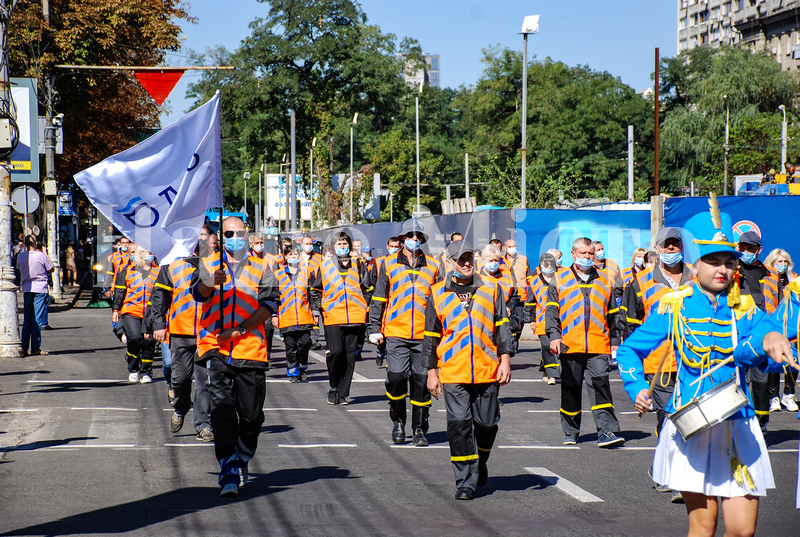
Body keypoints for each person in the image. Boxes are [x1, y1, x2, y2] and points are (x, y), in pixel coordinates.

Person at [616, 202, 798, 537]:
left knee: (743, 530)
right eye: (713, 261)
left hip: (738, 424)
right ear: (694, 265)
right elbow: (629, 351)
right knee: (704, 526)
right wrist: (638, 388)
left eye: (728, 261)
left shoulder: (743, 308)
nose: (722, 269)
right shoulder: (674, 306)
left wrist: (773, 342)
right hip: (692, 425)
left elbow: (765, 336)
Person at [191, 216, 279, 498]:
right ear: (221, 234)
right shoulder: (208, 263)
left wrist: (239, 330)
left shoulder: (264, 267)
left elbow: (269, 305)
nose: (234, 237)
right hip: (215, 348)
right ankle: (228, 469)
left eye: (239, 233)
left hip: (250, 349)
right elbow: (197, 295)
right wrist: (209, 283)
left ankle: (243, 454)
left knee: (252, 417)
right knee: (223, 412)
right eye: (228, 233)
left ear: (247, 234)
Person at [424, 240, 513, 500]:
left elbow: (502, 328)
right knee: (459, 425)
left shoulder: (492, 289)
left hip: (487, 370)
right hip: (453, 372)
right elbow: (430, 337)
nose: (466, 263)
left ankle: (479, 461)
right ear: (449, 262)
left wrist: (505, 360)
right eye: (460, 259)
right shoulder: (438, 292)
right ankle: (465, 480)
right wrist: (431, 372)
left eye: (469, 258)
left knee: (487, 425)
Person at [546, 237, 624, 447]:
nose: (589, 257)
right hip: (570, 344)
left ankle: (606, 431)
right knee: (570, 388)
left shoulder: (605, 279)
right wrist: (554, 335)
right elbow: (552, 311)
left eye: (591, 253)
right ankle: (571, 431)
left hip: (599, 345)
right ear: (573, 255)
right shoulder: (559, 279)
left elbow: (613, 314)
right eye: (584, 254)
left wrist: (615, 340)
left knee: (601, 385)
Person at [368, 219, 440, 446]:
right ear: (401, 239)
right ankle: (398, 422)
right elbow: (379, 298)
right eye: (410, 236)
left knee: (421, 381)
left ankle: (419, 429)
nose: (415, 240)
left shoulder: (433, 266)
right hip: (396, 332)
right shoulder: (388, 264)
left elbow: (440, 302)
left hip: (424, 335)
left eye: (419, 237)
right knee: (397, 377)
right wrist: (373, 328)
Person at [621, 228, 693, 435]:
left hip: (693, 361)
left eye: (675, 243)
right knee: (669, 417)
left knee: (690, 417)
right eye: (665, 244)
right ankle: (665, 462)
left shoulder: (697, 277)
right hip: (658, 363)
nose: (671, 248)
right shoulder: (641, 281)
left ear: (681, 246)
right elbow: (632, 326)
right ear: (657, 249)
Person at [148, 245, 214, 442]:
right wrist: (159, 324)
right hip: (180, 331)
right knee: (181, 378)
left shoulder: (214, 263)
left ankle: (203, 424)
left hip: (208, 332)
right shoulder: (171, 264)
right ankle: (180, 408)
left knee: (205, 381)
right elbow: (159, 296)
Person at [310, 231, 371, 405]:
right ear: (334, 247)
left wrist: (364, 305)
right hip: (333, 317)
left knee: (349, 357)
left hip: (355, 317)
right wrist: (321, 307)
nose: (342, 247)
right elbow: (315, 290)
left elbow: (368, 288)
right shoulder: (325, 266)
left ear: (350, 247)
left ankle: (343, 393)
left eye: (345, 244)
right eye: (339, 244)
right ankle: (334, 386)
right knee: (335, 353)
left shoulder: (359, 265)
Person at [736, 231, 783, 431]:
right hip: (736, 337)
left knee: (761, 382)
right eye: (743, 248)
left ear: (759, 250)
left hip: (763, 338)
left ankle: (761, 425)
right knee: (737, 383)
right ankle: (739, 424)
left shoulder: (772, 275)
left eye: (750, 248)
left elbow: (781, 307)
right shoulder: (732, 272)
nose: (746, 251)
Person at [112, 246, 159, 383]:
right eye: (146, 252)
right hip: (131, 311)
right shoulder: (127, 270)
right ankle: (134, 368)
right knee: (135, 338)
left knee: (149, 341)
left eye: (151, 252)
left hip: (151, 313)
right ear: (140, 254)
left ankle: (146, 372)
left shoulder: (158, 271)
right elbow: (120, 292)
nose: (149, 255)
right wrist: (116, 310)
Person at [273, 246, 317, 383]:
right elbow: (274, 297)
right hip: (286, 317)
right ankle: (292, 372)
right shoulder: (278, 274)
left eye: (295, 254)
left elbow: (312, 295)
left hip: (304, 316)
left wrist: (315, 313)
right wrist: (274, 315)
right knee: (290, 347)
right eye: (290, 254)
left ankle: (302, 367)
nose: (293, 257)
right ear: (285, 256)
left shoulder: (306, 272)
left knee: (304, 343)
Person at [763, 248, 798, 412]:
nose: (783, 265)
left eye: (785, 262)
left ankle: (789, 394)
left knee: (793, 359)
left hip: (792, 328)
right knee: (775, 360)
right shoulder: (766, 279)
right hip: (774, 326)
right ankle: (773, 396)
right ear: (772, 263)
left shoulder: (795, 280)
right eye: (779, 262)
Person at [17, 235, 54, 356]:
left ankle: (24, 347)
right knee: (37, 319)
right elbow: (51, 268)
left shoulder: (21, 256)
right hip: (40, 288)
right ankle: (35, 347)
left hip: (27, 288)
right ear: (36, 244)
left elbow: (19, 268)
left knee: (27, 318)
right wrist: (45, 253)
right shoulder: (41, 255)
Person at [529, 253, 560, 385]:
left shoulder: (561, 278)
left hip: (559, 319)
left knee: (553, 347)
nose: (548, 266)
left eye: (550, 263)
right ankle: (553, 374)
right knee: (547, 346)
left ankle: (545, 367)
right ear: (540, 265)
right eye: (545, 264)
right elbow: (530, 303)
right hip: (541, 319)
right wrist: (531, 320)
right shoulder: (534, 281)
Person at [371, 236, 401, 368]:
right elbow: (372, 282)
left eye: (397, 247)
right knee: (381, 331)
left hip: (395, 303)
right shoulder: (379, 262)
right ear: (387, 247)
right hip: (381, 300)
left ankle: (391, 360)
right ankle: (380, 351)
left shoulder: (401, 263)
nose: (394, 249)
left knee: (391, 333)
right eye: (392, 246)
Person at [504, 238, 533, 349]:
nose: (512, 249)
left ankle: (516, 340)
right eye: (510, 247)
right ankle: (511, 343)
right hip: (507, 297)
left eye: (514, 246)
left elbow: (529, 277)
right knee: (508, 321)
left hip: (520, 296)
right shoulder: (502, 261)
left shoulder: (523, 260)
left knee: (520, 321)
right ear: (505, 249)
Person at [300, 236, 324, 350]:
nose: (309, 245)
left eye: (310, 243)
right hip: (301, 290)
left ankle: (314, 340)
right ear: (302, 245)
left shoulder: (318, 258)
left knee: (315, 314)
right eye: (306, 243)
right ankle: (303, 337)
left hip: (315, 288)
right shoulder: (296, 257)